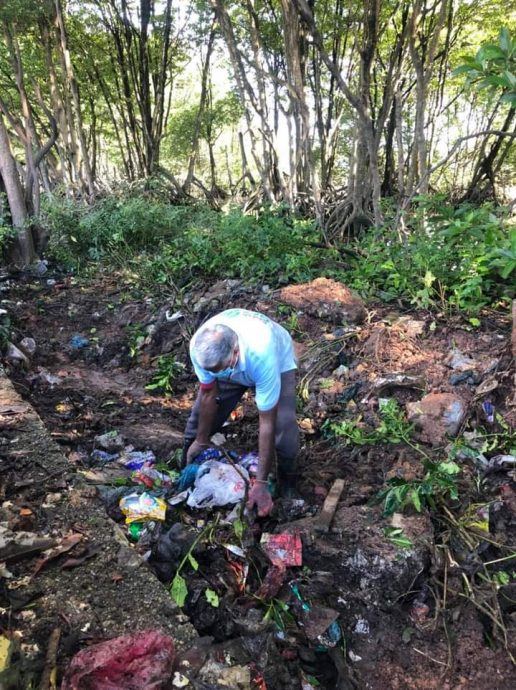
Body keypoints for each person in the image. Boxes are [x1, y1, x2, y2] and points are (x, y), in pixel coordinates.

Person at [183, 308, 299, 517]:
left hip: (276, 362)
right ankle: (186, 470)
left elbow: (267, 422)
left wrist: (261, 482)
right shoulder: (200, 349)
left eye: (221, 369)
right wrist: (201, 439)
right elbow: (209, 395)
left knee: (284, 429)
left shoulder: (262, 354)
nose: (217, 374)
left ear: (235, 352)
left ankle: (288, 485)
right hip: (230, 362)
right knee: (196, 422)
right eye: (213, 371)